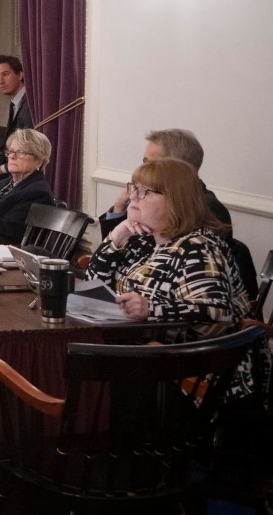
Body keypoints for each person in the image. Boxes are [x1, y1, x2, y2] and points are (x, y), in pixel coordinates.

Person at [87, 158, 268, 403]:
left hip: (194, 378)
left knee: (87, 380)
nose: (133, 197)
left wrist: (151, 309)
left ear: (176, 201)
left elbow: (215, 314)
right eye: (133, 188)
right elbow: (93, 284)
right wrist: (117, 238)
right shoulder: (143, 238)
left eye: (145, 192)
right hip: (153, 362)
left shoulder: (197, 248)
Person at [99, 128, 231, 237]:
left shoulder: (206, 207)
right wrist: (119, 209)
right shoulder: (144, 197)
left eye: (151, 164)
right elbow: (113, 255)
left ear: (177, 167)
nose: (143, 169)